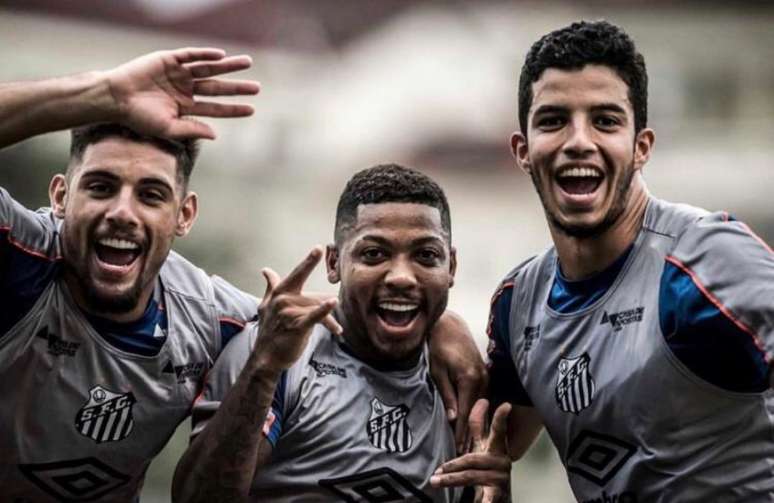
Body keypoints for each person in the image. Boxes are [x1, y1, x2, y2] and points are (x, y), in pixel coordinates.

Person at [0, 52, 485, 500]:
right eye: (101, 187)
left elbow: (313, 322)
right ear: (61, 197)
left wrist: (441, 324)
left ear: (184, 215)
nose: (123, 213)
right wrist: (103, 94)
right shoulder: (21, 258)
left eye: (151, 194)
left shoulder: (213, 317)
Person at [433, 20, 774, 502]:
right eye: (553, 120)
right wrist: (435, 321)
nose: (578, 140)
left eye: (605, 120)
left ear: (641, 148)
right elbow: (487, 449)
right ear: (522, 151)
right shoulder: (520, 302)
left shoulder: (705, 258)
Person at [172, 164, 479, 502]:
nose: (401, 277)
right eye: (374, 254)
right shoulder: (279, 356)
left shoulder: (461, 381)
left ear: (450, 267)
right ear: (334, 263)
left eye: (425, 255)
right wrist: (264, 367)